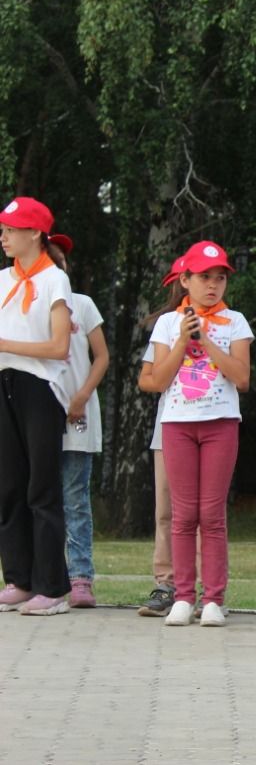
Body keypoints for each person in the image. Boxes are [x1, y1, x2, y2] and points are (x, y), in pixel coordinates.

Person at [149, 241, 252, 626]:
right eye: (204, 277)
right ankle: (182, 597)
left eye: (220, 277)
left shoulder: (235, 322)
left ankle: (212, 599)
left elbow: (241, 378)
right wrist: (182, 340)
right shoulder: (166, 323)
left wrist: (206, 340)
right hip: (177, 423)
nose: (213, 285)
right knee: (182, 514)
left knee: (211, 513)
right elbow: (158, 380)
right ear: (185, 280)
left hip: (220, 423)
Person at [0, 197, 73, 616]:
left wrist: (8, 345)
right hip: (5, 381)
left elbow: (59, 346)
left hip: (40, 387)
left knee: (41, 488)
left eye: (12, 229)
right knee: (9, 484)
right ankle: (19, 578)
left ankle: (52, 587)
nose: (4, 237)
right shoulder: (4, 278)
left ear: (34, 233)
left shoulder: (53, 281)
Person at [48, 234, 110, 610]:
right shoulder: (24, 306)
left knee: (75, 500)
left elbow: (101, 356)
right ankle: (46, 576)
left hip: (79, 414)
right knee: (40, 498)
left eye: (59, 264)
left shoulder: (82, 305)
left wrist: (83, 394)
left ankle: (81, 577)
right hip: (38, 413)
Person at [136, 255, 186, 617]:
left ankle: (199, 587)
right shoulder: (166, 326)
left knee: (201, 514)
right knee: (166, 512)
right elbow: (149, 380)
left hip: (208, 427)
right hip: (168, 429)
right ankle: (166, 584)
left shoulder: (227, 323)